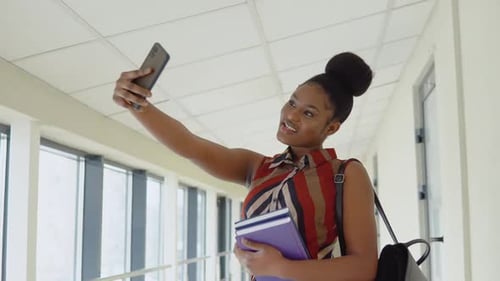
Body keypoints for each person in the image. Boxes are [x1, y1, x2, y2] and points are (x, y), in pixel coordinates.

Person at [113, 52, 378, 280]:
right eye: (292, 102)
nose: (291, 115)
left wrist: (281, 267)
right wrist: (137, 105)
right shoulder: (260, 167)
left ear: (331, 127)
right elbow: (192, 146)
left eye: (308, 113)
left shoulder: (344, 173)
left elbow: (365, 266)